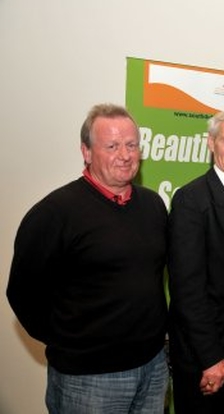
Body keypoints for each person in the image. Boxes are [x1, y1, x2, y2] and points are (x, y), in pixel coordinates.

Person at [6, 103, 169, 413]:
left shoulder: (152, 205)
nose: (125, 154)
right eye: (112, 146)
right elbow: (23, 294)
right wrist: (72, 342)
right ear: (86, 151)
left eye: (131, 144)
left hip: (153, 367)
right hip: (88, 378)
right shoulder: (54, 213)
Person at [167, 108, 224, 414]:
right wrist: (210, 357)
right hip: (207, 356)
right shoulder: (190, 200)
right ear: (211, 144)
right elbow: (187, 291)